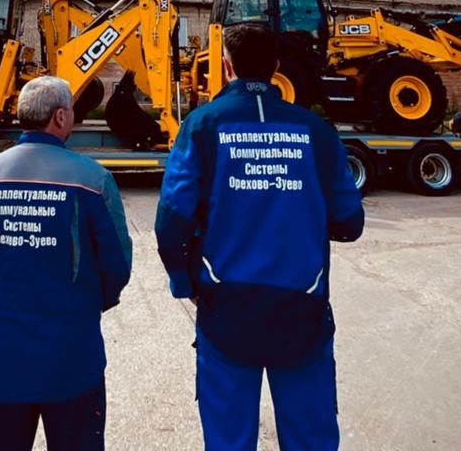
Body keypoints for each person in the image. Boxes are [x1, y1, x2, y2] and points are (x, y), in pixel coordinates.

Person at [155, 23, 364, 451]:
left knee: (229, 438)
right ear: (275, 67)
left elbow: (171, 218)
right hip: (302, 309)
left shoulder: (202, 125)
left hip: (225, 309)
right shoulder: (317, 132)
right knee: (311, 438)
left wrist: (184, 280)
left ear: (227, 65)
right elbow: (350, 222)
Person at [0, 76, 132, 451]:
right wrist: (88, 302)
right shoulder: (92, 179)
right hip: (72, 362)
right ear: (62, 117)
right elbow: (117, 267)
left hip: (0, 365)